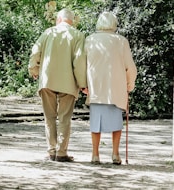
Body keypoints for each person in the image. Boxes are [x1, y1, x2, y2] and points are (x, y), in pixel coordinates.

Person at [28, 8, 87, 162]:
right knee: (64, 118)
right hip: (68, 83)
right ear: (72, 21)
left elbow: (35, 52)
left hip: (47, 80)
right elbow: (79, 61)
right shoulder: (78, 35)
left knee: (49, 117)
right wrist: (82, 84)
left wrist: (34, 69)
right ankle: (61, 153)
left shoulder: (48, 33)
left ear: (59, 19)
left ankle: (51, 151)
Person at [83, 11, 137, 165]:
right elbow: (130, 67)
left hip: (96, 87)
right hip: (116, 88)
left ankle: (95, 154)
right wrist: (129, 84)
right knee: (116, 123)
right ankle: (115, 154)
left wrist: (83, 85)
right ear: (114, 24)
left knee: (95, 123)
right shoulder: (121, 41)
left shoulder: (90, 40)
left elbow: (82, 64)